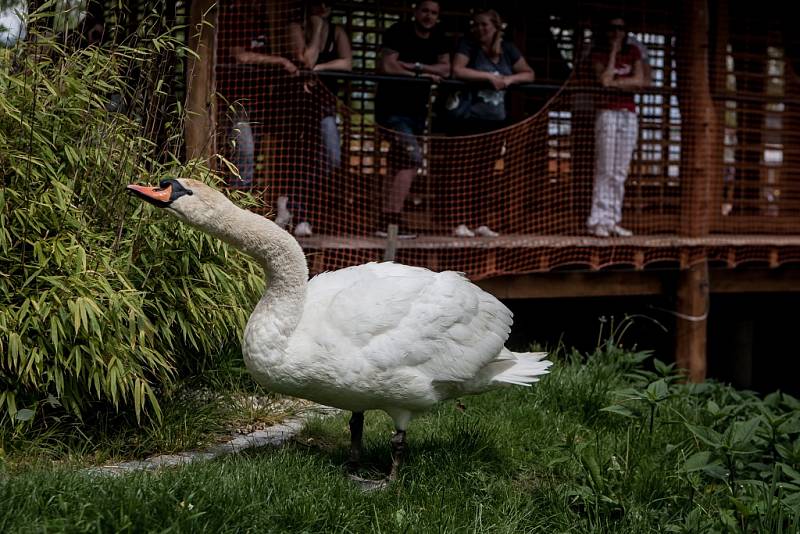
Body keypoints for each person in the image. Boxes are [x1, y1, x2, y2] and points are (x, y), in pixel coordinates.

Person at [449, 9, 534, 237]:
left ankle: (479, 221)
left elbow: (528, 74)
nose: (479, 29)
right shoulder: (469, 45)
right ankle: (459, 221)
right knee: (463, 171)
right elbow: (457, 69)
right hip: (469, 119)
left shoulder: (508, 49)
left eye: (484, 25)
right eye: (475, 25)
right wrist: (488, 77)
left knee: (485, 172)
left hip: (495, 120)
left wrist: (508, 79)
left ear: (496, 26)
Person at [375, 0, 450, 238]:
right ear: (416, 11)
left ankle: (383, 222)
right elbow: (388, 65)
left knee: (398, 161)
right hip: (391, 110)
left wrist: (410, 66)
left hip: (417, 112)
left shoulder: (439, 36)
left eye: (434, 13)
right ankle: (392, 221)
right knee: (413, 158)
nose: (429, 16)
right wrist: (424, 72)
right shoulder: (399, 31)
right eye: (425, 11)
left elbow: (446, 70)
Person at [285, 0, 352, 237]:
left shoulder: (338, 32)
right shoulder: (296, 27)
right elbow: (306, 60)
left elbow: (347, 63)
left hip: (325, 106)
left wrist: (321, 68)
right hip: (297, 106)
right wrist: (316, 28)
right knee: (300, 159)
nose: (322, 6)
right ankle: (299, 214)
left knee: (332, 157)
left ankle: (292, 203)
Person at [586, 15, 645, 237]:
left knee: (620, 170)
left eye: (621, 28)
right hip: (607, 113)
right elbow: (603, 79)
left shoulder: (633, 52)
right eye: (612, 28)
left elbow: (641, 80)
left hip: (628, 114)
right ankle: (597, 219)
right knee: (605, 168)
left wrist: (616, 83)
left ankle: (612, 219)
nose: (616, 33)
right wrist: (612, 52)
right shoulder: (599, 53)